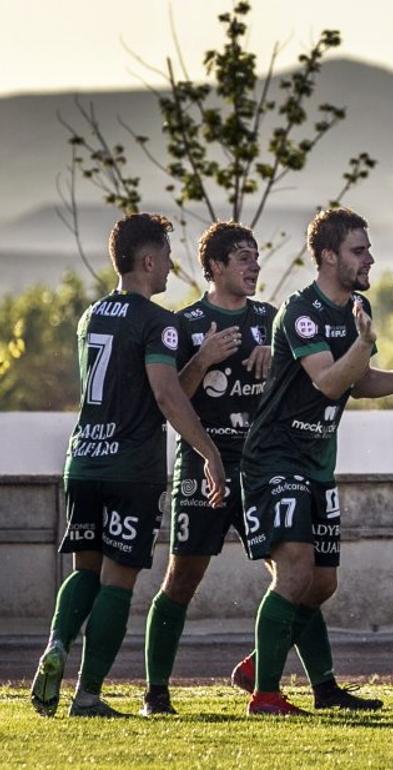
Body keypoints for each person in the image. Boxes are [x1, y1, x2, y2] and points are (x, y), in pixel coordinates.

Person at [235, 207, 393, 716]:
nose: (370, 259)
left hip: (315, 464)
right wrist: (364, 343)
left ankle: (267, 670)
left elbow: (361, 380)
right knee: (293, 571)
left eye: (368, 249)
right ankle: (266, 695)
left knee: (322, 582)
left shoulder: (357, 306)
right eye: (359, 250)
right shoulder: (301, 312)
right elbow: (329, 381)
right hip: (274, 459)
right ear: (328, 255)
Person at [30, 212, 225, 718]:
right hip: (131, 466)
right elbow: (164, 395)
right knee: (119, 581)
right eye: (165, 258)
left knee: (85, 571)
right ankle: (88, 695)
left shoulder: (91, 315)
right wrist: (209, 451)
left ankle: (56, 644)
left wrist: (199, 363)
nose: (170, 268)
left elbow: (142, 387)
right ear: (147, 259)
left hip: (84, 461)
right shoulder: (157, 322)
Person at [139, 221, 274, 716]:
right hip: (202, 466)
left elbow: (301, 380)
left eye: (256, 256)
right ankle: (155, 693)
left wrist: (276, 356)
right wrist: (203, 360)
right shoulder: (185, 322)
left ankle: (306, 684)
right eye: (243, 257)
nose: (254, 265)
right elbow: (170, 399)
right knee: (182, 579)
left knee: (298, 575)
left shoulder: (270, 318)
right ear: (215, 267)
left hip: (260, 466)